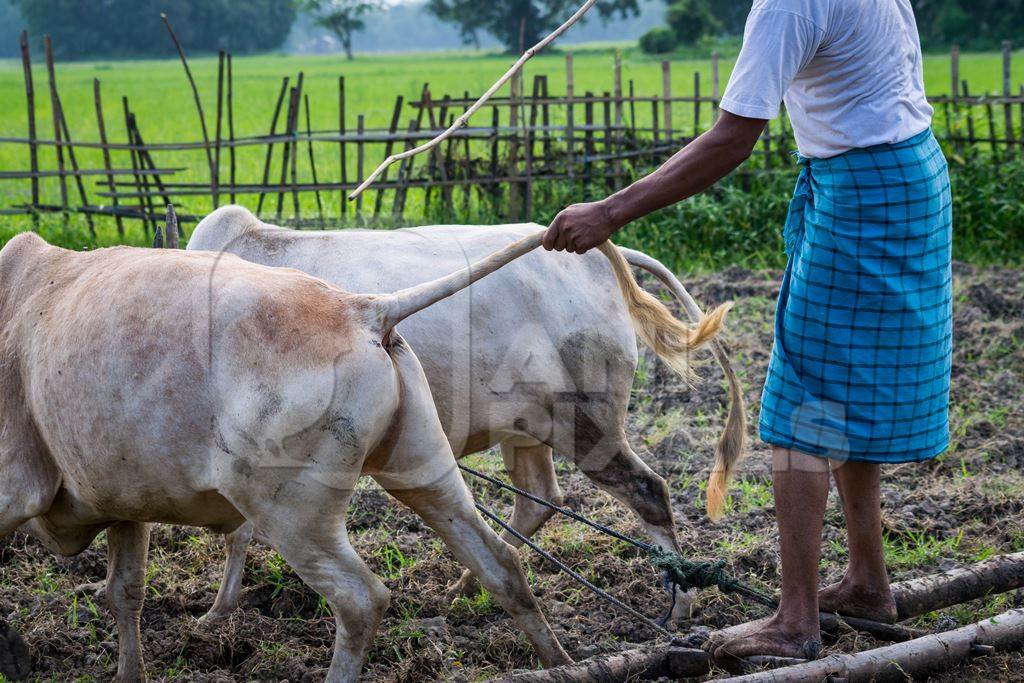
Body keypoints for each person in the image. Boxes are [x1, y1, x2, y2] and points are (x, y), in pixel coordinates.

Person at [542, 0, 952, 659]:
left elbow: (734, 136)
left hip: (861, 192)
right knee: (839, 389)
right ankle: (868, 582)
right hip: (902, 174)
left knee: (803, 402)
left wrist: (610, 211)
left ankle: (795, 621)